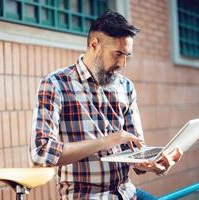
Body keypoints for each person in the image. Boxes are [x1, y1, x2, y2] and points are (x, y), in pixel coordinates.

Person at [30, 10, 182, 200]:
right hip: (85, 196)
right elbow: (41, 153)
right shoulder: (55, 84)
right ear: (94, 45)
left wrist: (150, 163)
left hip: (126, 193)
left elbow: (135, 150)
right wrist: (106, 141)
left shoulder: (125, 87)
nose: (122, 63)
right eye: (118, 54)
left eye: (127, 55)